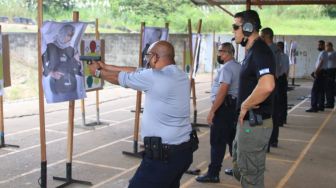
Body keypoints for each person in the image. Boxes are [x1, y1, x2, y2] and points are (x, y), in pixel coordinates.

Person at [88, 41, 197, 188]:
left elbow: (121, 78)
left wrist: (98, 72)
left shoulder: (154, 77)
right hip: (183, 152)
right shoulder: (181, 75)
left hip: (163, 156)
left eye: (148, 56)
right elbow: (137, 70)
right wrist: (106, 66)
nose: (147, 60)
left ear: (155, 57)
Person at [230, 10, 275, 187]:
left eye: (236, 27)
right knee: (240, 167)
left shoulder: (260, 51)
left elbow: (267, 85)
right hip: (248, 123)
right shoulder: (252, 51)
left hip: (254, 125)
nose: (233, 31)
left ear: (248, 28)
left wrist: (245, 105)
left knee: (251, 176)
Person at [195, 42, 241, 183]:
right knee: (233, 140)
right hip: (234, 107)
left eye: (220, 51)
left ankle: (213, 173)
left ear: (228, 52)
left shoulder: (226, 69)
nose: (218, 54)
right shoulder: (239, 66)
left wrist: (213, 111)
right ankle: (237, 169)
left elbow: (223, 90)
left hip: (224, 109)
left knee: (217, 142)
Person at [42, 24, 83, 103]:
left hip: (72, 88)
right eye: (69, 35)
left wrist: (78, 59)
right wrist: (51, 73)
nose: (70, 38)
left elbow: (78, 70)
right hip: (58, 88)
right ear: (62, 33)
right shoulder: (51, 47)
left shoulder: (71, 49)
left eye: (72, 35)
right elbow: (43, 66)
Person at [306, 40, 328, 112]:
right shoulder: (323, 53)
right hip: (322, 72)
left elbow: (321, 62)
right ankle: (321, 106)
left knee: (314, 90)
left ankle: (314, 107)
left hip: (320, 73)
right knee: (321, 90)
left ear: (323, 45)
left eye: (320, 45)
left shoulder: (323, 53)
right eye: (318, 45)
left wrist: (316, 72)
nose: (318, 46)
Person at [325, 42, 336, 108]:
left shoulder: (334, 53)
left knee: (329, 87)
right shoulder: (329, 53)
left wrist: (325, 51)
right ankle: (329, 102)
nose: (326, 47)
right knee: (328, 87)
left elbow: (326, 58)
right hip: (328, 70)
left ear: (331, 46)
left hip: (331, 71)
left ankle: (330, 103)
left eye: (327, 46)